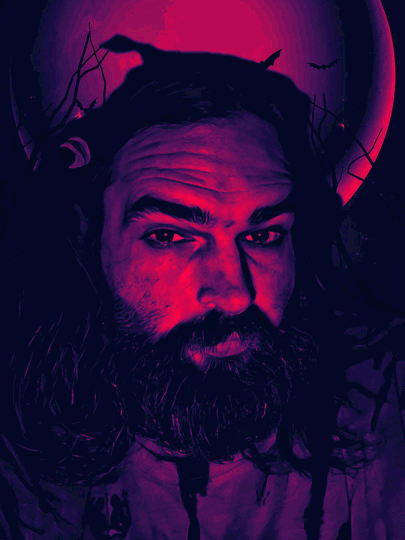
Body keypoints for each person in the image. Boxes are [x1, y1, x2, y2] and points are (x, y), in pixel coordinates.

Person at [1, 41, 404, 540]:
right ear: (89, 234)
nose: (234, 295)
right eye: (170, 236)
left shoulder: (387, 401)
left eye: (262, 236)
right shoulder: (17, 456)